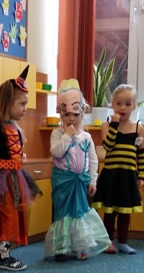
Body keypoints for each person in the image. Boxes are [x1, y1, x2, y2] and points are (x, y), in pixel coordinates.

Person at [0, 65, 41, 271]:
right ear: (7, 102)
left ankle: (5, 253)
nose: (25, 108)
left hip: (15, 176)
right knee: (5, 215)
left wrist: (19, 156)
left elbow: (11, 149)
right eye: (22, 104)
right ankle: (3, 257)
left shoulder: (15, 127)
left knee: (13, 215)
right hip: (0, 178)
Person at [44, 79, 110, 261]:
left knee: (79, 213)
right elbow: (56, 152)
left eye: (75, 114)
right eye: (67, 115)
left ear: (82, 113)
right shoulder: (57, 134)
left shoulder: (86, 137)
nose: (71, 119)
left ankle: (79, 246)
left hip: (81, 181)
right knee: (63, 213)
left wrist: (93, 180)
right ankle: (61, 248)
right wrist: (67, 136)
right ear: (61, 114)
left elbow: (93, 160)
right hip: (63, 181)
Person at [91, 84, 144, 255]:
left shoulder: (138, 127)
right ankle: (108, 242)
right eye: (119, 103)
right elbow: (108, 145)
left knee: (125, 212)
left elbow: (141, 153)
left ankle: (123, 242)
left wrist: (141, 176)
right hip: (111, 175)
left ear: (134, 106)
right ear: (112, 104)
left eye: (128, 104)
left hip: (128, 176)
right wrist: (114, 124)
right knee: (110, 211)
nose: (123, 108)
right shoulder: (106, 125)